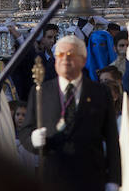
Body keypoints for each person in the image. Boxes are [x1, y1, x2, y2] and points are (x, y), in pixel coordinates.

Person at [19, 34, 120, 191]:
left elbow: (112, 139)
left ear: (83, 60)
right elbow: (25, 130)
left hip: (91, 179)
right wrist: (32, 140)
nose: (65, 59)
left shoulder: (100, 92)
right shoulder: (40, 91)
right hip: (53, 178)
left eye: (71, 55)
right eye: (60, 54)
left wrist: (113, 180)